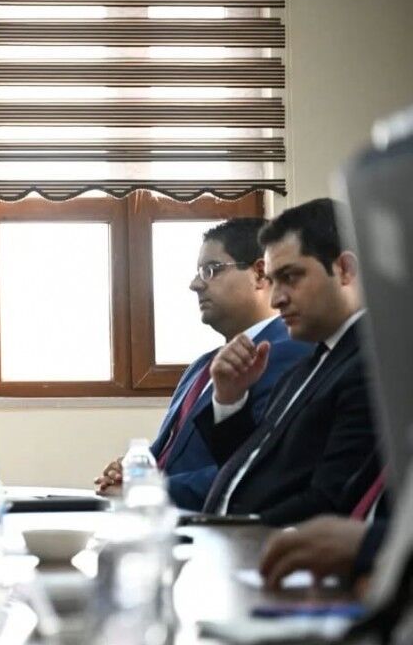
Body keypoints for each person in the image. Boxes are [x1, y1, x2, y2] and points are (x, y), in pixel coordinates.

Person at [95, 218, 312, 509]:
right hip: (162, 521)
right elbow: (170, 459)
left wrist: (149, 489)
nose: (195, 284)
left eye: (211, 270)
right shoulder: (200, 368)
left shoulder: (290, 353)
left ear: (260, 274)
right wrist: (132, 471)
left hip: (216, 524)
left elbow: (258, 468)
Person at [197, 198, 376, 525]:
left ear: (344, 270)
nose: (276, 298)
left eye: (290, 277)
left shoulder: (369, 368)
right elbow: (251, 472)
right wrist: (230, 399)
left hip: (271, 549)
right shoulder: (305, 368)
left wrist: (221, 530)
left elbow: (329, 502)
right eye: (273, 280)